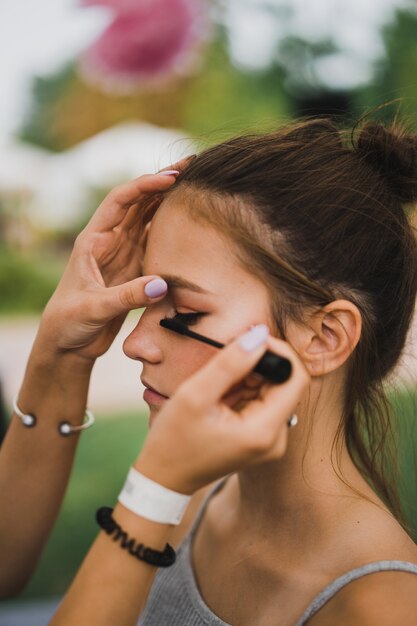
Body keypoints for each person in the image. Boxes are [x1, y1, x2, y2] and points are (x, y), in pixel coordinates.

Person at [4, 117, 417, 626]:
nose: (134, 343)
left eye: (185, 314)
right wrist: (60, 353)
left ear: (325, 338)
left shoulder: (382, 608)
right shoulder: (194, 497)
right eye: (146, 298)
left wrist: (153, 492)